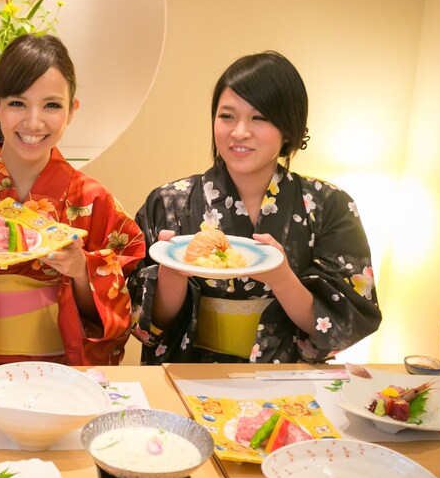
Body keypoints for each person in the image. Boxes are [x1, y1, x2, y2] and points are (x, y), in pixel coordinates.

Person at [129, 51, 381, 364]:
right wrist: (172, 272)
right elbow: (151, 323)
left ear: (289, 127)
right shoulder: (169, 202)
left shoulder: (329, 206)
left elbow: (341, 323)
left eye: (259, 118)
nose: (239, 132)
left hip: (285, 379)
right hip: (190, 372)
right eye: (227, 116)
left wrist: (281, 278)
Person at [0, 34, 145, 366]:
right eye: (17, 103)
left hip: (58, 371)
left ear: (72, 110)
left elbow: (122, 306)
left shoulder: (93, 200)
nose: (34, 122)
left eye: (51, 105)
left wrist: (81, 271)